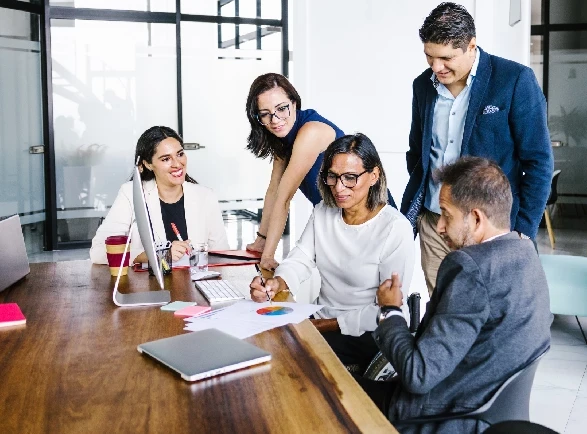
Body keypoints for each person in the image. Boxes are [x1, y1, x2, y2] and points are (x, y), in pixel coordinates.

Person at [363, 157, 552, 433]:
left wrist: (390, 312)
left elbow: (419, 375)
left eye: (446, 214)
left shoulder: (470, 268)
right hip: (487, 410)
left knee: (328, 389)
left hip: (440, 417)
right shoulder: (525, 253)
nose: (439, 226)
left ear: (476, 218)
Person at [402, 2, 553, 295]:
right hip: (437, 226)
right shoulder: (422, 86)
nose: (436, 67)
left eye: (446, 58)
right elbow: (417, 153)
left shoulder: (514, 80)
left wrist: (522, 230)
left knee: (491, 317)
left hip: (492, 230)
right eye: (429, 57)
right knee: (443, 310)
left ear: (471, 46)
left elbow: (539, 162)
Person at [249, 134, 414, 373]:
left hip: (368, 332)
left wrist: (323, 325)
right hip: (322, 321)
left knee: (287, 357)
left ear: (374, 176)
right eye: (333, 177)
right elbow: (301, 258)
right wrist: (277, 282)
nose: (339, 187)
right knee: (268, 342)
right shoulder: (324, 212)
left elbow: (386, 309)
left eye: (350, 178)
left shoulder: (394, 228)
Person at [243, 73, 346, 272]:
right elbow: (274, 190)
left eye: (282, 109)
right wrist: (261, 241)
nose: (275, 120)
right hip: (337, 221)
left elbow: (284, 197)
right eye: (265, 113)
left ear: (294, 103)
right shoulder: (283, 136)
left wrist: (268, 256)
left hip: (370, 221)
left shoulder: (310, 132)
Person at [90, 126, 229, 265]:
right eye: (166, 159)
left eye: (180, 154)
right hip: (150, 284)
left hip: (194, 283)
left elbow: (222, 254)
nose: (177, 164)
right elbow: (98, 252)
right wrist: (156, 255)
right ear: (148, 164)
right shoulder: (131, 194)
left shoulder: (205, 196)